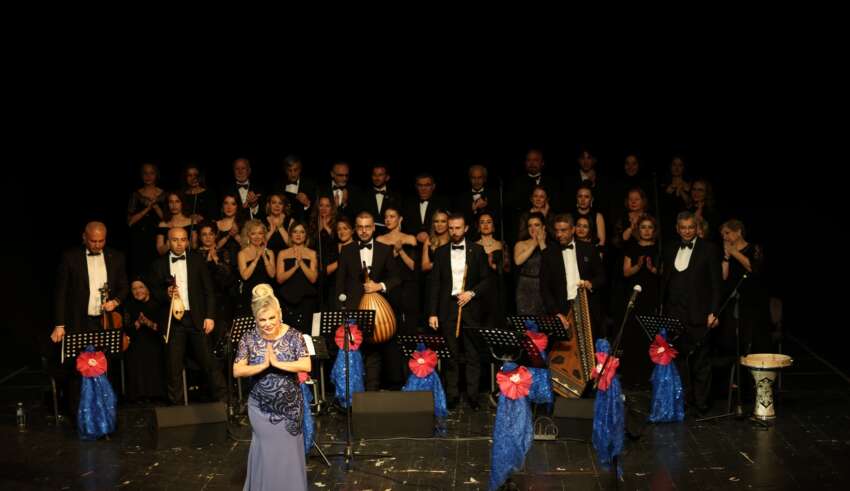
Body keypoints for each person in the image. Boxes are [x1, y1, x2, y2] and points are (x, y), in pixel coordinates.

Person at [234, 284, 310, 491]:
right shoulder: (249, 338)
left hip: (289, 409)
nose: (267, 324)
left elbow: (306, 365)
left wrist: (277, 363)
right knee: (267, 452)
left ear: (280, 314)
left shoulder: (294, 336)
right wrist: (262, 366)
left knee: (289, 454)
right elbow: (237, 370)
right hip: (260, 408)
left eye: (271, 318)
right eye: (262, 320)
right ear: (255, 319)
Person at [52, 221, 129, 418]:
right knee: (79, 366)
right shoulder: (70, 257)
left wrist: (115, 302)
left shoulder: (116, 257)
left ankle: (105, 412)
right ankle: (79, 415)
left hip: (104, 321)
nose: (97, 245)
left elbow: (124, 286)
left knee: (105, 364)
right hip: (79, 320)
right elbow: (61, 293)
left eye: (101, 241)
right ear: (84, 237)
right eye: (93, 241)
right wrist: (59, 324)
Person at [149, 227, 226, 404]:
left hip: (196, 318)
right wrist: (165, 294)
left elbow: (209, 291)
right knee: (173, 367)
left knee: (209, 363)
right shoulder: (158, 264)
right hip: (173, 322)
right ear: (168, 242)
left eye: (183, 239)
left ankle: (223, 403)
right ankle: (177, 408)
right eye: (175, 240)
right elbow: (153, 293)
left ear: (188, 241)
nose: (179, 244)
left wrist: (210, 316)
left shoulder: (197, 260)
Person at [427, 213, 492, 410]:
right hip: (448, 308)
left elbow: (487, 280)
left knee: (473, 355)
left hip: (470, 306)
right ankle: (452, 395)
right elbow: (435, 285)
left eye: (458, 228)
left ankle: (473, 396)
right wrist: (432, 313)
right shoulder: (440, 252)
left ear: (466, 229)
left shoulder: (477, 251)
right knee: (451, 356)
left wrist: (471, 293)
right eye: (451, 228)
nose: (454, 232)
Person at [660, 211, 722, 414]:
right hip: (674, 313)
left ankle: (701, 403)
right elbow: (666, 280)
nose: (687, 231)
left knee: (700, 361)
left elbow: (716, 284)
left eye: (691, 227)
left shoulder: (709, 249)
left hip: (699, 314)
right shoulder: (670, 249)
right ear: (677, 229)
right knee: (678, 360)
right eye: (683, 228)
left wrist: (714, 311)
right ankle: (683, 401)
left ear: (697, 228)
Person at [335, 212, 401, 390]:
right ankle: (354, 394)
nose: (364, 231)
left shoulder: (384, 249)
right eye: (360, 227)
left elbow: (396, 278)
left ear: (373, 228)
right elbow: (339, 282)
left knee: (373, 351)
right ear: (355, 229)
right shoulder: (347, 250)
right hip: (353, 309)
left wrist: (379, 286)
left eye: (367, 227)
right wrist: (340, 311)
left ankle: (371, 393)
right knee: (353, 353)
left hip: (376, 310)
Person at [539, 214, 606, 338]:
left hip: (587, 306)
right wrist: (556, 313)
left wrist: (591, 283)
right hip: (563, 309)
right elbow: (544, 287)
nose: (559, 234)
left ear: (573, 230)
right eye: (557, 231)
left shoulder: (589, 249)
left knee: (590, 345)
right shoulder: (549, 253)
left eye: (563, 230)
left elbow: (601, 276)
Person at [123, 277, 166, 402]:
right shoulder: (129, 306)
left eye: (141, 287)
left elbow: (162, 329)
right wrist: (138, 323)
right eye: (134, 289)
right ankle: (138, 395)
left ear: (148, 289)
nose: (138, 291)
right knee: (135, 354)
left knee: (154, 352)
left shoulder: (157, 305)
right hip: (135, 342)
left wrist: (148, 322)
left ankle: (156, 394)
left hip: (155, 341)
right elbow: (126, 329)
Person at [276, 221, 319, 331]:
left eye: (302, 232)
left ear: (306, 235)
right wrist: (295, 267)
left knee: (306, 333)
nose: (298, 235)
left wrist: (301, 263)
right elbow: (279, 279)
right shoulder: (283, 253)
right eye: (295, 232)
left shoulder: (312, 253)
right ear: (290, 234)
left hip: (306, 301)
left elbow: (313, 279)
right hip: (287, 301)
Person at [127, 162, 166, 276]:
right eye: (145, 173)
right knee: (140, 269)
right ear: (141, 175)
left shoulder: (164, 194)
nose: (148, 176)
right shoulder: (136, 195)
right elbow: (130, 222)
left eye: (151, 173)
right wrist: (147, 208)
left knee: (157, 269)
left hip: (158, 236)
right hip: (139, 237)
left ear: (156, 175)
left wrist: (155, 206)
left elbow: (167, 220)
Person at [513, 212, 549, 315]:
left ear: (543, 227)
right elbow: (518, 261)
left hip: (543, 287)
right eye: (530, 225)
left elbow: (548, 264)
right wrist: (534, 244)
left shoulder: (550, 246)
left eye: (536, 225)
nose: (533, 228)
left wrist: (541, 243)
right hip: (525, 288)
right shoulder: (521, 244)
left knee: (544, 321)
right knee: (527, 322)